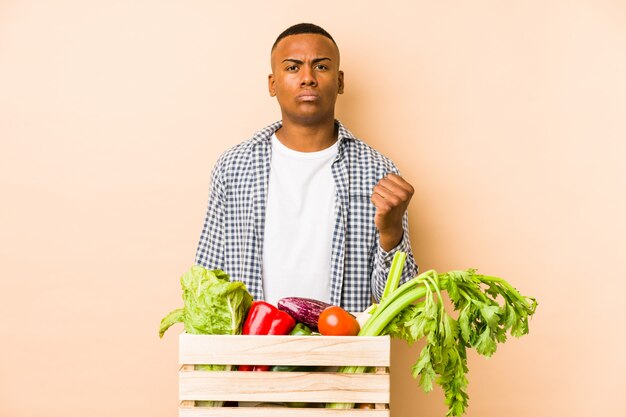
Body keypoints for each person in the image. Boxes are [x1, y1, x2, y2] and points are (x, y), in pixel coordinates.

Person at [195, 23, 418, 313]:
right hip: (252, 354)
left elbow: (398, 305)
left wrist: (391, 234)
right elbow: (207, 279)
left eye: (321, 67)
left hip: (342, 355)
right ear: (272, 83)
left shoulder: (377, 170)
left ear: (339, 82)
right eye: (292, 68)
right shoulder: (235, 166)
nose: (308, 78)